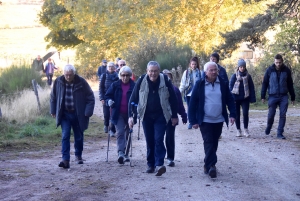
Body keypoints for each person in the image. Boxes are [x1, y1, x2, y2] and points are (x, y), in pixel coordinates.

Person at [128, 61, 178, 176]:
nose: (153, 74)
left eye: (155, 71)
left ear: (159, 71)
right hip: (146, 115)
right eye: (151, 71)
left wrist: (174, 116)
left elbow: (173, 99)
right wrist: (130, 116)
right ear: (147, 71)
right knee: (150, 140)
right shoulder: (141, 80)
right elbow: (133, 99)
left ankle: (159, 164)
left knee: (158, 139)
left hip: (161, 115)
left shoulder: (165, 80)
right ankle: (150, 164)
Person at [188, 62, 236, 178]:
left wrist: (232, 114)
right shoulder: (200, 84)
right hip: (205, 119)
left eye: (215, 70)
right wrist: (192, 120)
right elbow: (193, 102)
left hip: (218, 119)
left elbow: (230, 99)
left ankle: (207, 164)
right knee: (208, 141)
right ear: (206, 72)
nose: (214, 72)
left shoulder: (223, 83)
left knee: (214, 142)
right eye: (211, 70)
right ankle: (211, 166)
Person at [50, 64, 95, 169]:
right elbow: (53, 97)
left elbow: (90, 96)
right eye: (66, 75)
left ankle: (78, 155)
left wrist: (88, 111)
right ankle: (65, 160)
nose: (68, 77)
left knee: (78, 136)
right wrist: (53, 110)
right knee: (65, 135)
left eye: (70, 75)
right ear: (63, 74)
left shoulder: (81, 82)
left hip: (78, 114)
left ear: (74, 74)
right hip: (65, 113)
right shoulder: (58, 82)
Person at [104, 66, 135, 164]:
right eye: (123, 75)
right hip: (118, 113)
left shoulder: (134, 86)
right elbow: (107, 96)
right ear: (120, 75)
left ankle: (125, 153)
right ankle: (120, 153)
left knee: (128, 132)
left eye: (127, 75)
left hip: (130, 113)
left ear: (130, 76)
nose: (125, 77)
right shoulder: (115, 85)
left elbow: (138, 98)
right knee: (120, 132)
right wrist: (109, 101)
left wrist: (136, 111)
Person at [261, 54, 295, 139]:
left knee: (283, 115)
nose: (278, 64)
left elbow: (290, 84)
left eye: (279, 62)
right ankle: (269, 126)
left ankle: (280, 133)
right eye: (276, 62)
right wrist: (263, 96)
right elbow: (265, 83)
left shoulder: (286, 70)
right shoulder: (269, 70)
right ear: (274, 62)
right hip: (272, 96)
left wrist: (293, 97)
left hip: (283, 96)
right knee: (271, 114)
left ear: (282, 61)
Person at [162, 69, 187, 167]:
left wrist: (183, 115)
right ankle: (159, 156)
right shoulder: (158, 89)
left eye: (169, 76)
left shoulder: (175, 90)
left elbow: (179, 104)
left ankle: (170, 158)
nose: (167, 78)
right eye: (165, 76)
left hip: (171, 117)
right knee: (158, 138)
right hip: (159, 117)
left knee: (169, 137)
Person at [229, 59, 256, 137]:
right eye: (241, 67)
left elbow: (251, 87)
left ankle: (246, 130)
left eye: (243, 67)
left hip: (245, 98)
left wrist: (252, 98)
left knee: (245, 113)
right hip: (236, 98)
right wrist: (231, 98)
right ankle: (238, 130)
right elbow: (230, 87)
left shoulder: (248, 76)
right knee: (237, 114)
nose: (242, 68)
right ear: (238, 67)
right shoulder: (234, 76)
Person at [179, 57, 202, 129]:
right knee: (190, 108)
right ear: (190, 65)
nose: (194, 66)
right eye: (192, 64)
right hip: (189, 93)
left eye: (195, 64)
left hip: (198, 93)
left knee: (198, 107)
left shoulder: (200, 73)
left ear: (197, 64)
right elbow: (183, 83)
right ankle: (191, 122)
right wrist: (179, 92)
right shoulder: (186, 73)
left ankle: (198, 121)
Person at [99, 62, 119, 136]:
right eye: (109, 67)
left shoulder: (117, 76)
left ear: (114, 68)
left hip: (114, 98)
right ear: (107, 68)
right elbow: (101, 88)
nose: (110, 68)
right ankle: (106, 124)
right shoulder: (104, 76)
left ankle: (112, 130)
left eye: (112, 66)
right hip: (105, 97)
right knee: (106, 114)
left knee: (113, 114)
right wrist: (101, 98)